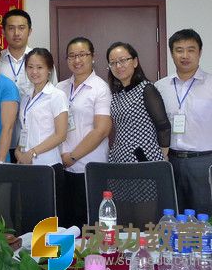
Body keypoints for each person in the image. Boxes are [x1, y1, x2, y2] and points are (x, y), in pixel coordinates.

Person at [155, 29, 212, 214]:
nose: (185, 55)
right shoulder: (160, 86)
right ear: (172, 53)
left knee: (204, 215)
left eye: (190, 50)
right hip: (170, 161)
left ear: (200, 52)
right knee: (172, 213)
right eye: (179, 50)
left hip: (204, 161)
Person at [57, 38, 111, 228]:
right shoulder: (60, 88)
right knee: (65, 223)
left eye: (82, 55)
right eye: (72, 56)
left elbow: (101, 130)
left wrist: (73, 156)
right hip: (62, 166)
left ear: (92, 56)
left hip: (88, 166)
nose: (77, 60)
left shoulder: (100, 88)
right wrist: (63, 157)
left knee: (88, 225)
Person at [0, 9, 57, 162]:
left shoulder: (42, 60)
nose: (16, 33)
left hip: (35, 144)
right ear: (3, 32)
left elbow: (54, 97)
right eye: (11, 28)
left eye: (21, 28)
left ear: (30, 31)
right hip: (1, 139)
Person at [16, 48, 68, 215]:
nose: (34, 72)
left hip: (48, 166)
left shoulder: (56, 95)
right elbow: (26, 128)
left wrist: (32, 152)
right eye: (30, 67)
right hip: (26, 166)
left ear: (49, 69)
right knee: (29, 215)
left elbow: (61, 134)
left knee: (49, 218)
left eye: (40, 67)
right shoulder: (26, 97)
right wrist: (19, 150)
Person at [106, 42, 170, 164]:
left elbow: (163, 126)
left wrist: (161, 157)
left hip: (144, 157)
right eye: (113, 63)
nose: (118, 66)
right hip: (119, 155)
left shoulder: (146, 89)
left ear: (135, 62)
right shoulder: (117, 93)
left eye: (123, 60)